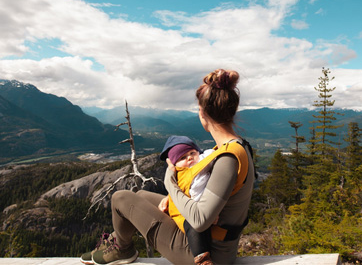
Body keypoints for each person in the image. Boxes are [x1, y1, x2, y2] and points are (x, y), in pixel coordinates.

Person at [80, 68, 255, 265]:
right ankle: (118, 243)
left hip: (205, 253)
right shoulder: (237, 147)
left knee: (121, 198)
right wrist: (173, 199)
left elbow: (199, 220)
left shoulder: (227, 159)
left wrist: (169, 181)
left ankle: (123, 249)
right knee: (141, 196)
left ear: (202, 113)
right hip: (214, 242)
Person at [158, 135, 215, 264]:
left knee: (199, 225)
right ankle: (202, 259)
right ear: (175, 164)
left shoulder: (202, 163)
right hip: (183, 212)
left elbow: (211, 154)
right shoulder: (181, 173)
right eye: (182, 157)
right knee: (193, 226)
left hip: (197, 209)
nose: (189, 157)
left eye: (192, 153)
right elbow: (185, 189)